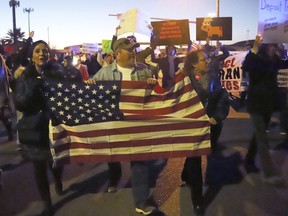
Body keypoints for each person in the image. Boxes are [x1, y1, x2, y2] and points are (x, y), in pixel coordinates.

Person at [86, 37, 159, 215]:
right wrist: (90, 85)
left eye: (134, 49)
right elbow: (92, 94)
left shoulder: (144, 71)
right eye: (129, 50)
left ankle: (141, 201)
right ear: (117, 54)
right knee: (113, 154)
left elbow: (153, 96)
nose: (134, 52)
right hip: (115, 124)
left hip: (136, 124)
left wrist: (153, 84)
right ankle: (114, 176)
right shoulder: (104, 73)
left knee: (140, 160)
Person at [13, 40, 65, 216]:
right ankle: (47, 203)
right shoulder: (24, 76)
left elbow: (69, 93)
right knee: (39, 169)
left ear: (49, 54)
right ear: (32, 56)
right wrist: (34, 87)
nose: (42, 53)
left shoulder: (57, 72)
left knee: (56, 163)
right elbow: (20, 104)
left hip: (55, 126)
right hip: (34, 130)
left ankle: (58, 180)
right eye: (37, 51)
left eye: (45, 50)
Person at [181, 49, 230, 216]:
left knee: (197, 155)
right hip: (191, 125)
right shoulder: (184, 79)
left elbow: (222, 98)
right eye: (203, 59)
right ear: (194, 63)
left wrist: (217, 117)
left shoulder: (213, 78)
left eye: (207, 59)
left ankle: (185, 173)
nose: (207, 62)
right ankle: (197, 200)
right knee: (195, 159)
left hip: (210, 125)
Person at [242, 35, 288, 185]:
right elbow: (246, 64)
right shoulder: (255, 59)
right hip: (256, 104)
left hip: (268, 104)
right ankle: (269, 174)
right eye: (271, 46)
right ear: (264, 46)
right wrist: (255, 46)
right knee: (262, 140)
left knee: (258, 136)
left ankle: (248, 161)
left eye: (275, 46)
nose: (274, 48)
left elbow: (285, 64)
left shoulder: (274, 60)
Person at [0, 45, 14, 141]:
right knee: (2, 115)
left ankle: (10, 131)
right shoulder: (2, 61)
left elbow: (6, 75)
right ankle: (10, 131)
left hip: (1, 92)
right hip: (3, 93)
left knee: (2, 114)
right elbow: (9, 76)